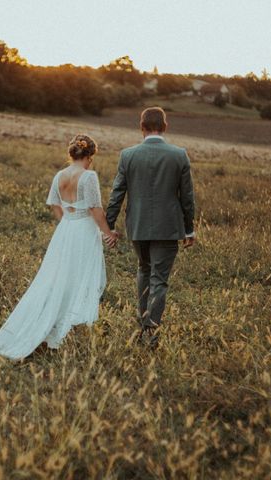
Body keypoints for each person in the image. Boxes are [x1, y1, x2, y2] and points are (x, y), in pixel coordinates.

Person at [0, 134, 116, 360]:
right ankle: (62, 329)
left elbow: (55, 203)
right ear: (90, 156)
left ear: (71, 153)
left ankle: (54, 327)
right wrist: (108, 233)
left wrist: (67, 221)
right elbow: (95, 209)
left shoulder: (59, 175)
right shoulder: (89, 176)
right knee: (78, 277)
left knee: (56, 277)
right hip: (83, 231)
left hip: (65, 230)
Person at [106, 107, 196, 348]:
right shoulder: (179, 155)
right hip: (168, 228)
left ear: (141, 126)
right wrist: (190, 229)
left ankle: (144, 325)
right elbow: (187, 196)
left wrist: (108, 225)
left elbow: (117, 193)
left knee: (144, 270)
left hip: (138, 225)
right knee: (159, 279)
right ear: (164, 126)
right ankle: (151, 331)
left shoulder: (128, 155)